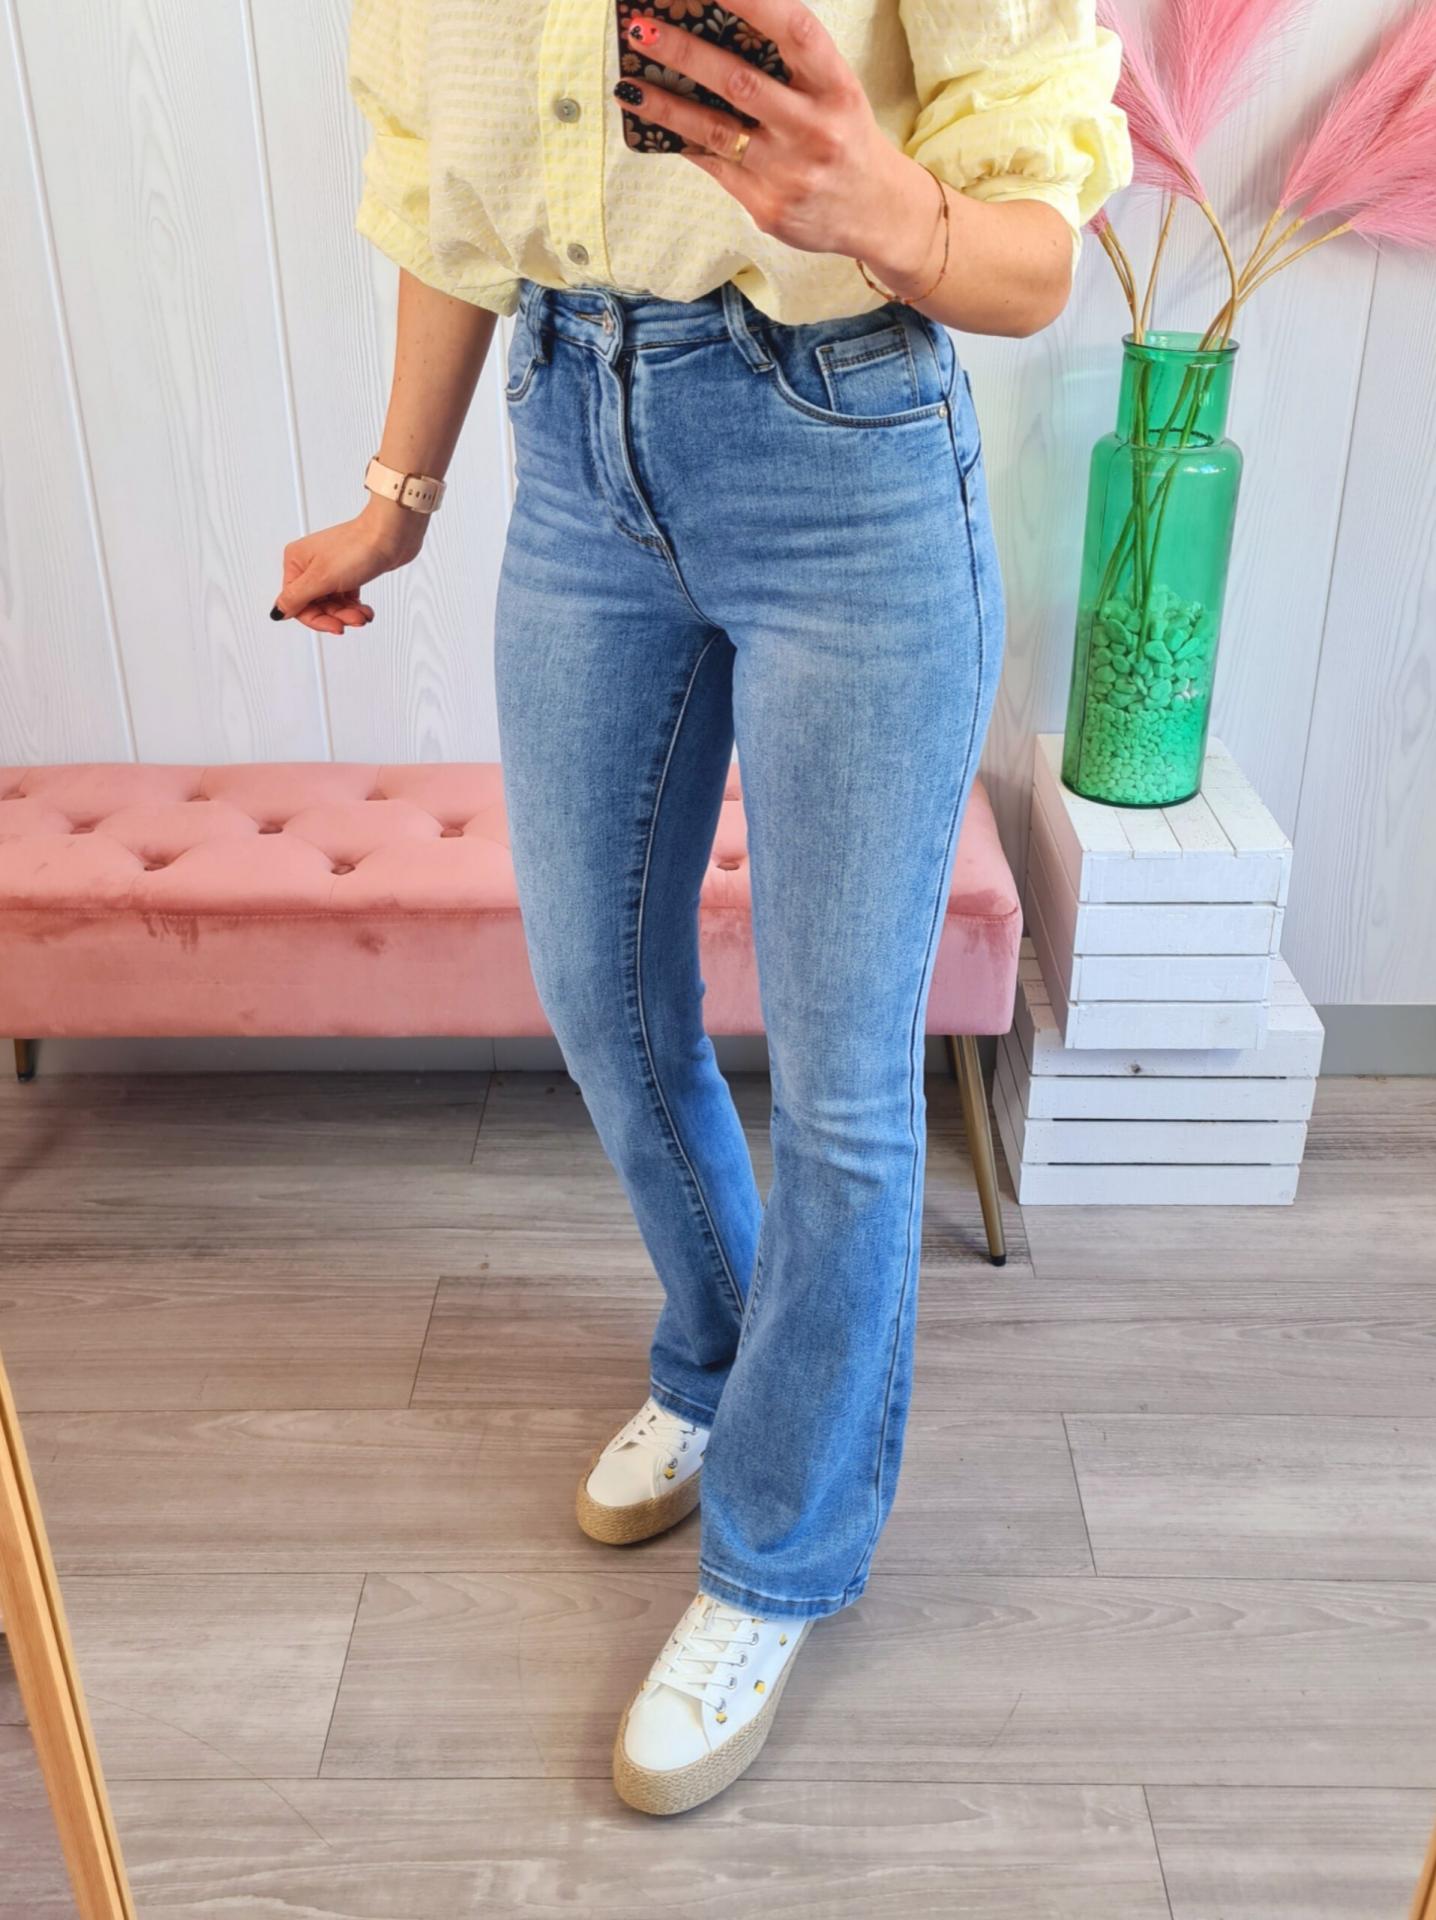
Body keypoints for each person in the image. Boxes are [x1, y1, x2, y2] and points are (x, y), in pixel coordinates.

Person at [272, 0, 1131, 1817]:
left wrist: (884, 204)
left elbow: (1040, 262)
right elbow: (443, 201)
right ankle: (728, 1351)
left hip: (847, 455)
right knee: (602, 1000)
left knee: (842, 1083)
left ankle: (777, 1553)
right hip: (574, 450)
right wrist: (397, 500)